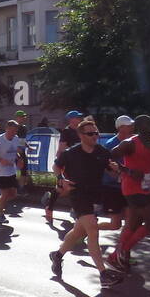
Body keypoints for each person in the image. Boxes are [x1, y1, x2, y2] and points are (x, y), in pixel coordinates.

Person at [47, 117, 117, 286]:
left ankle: (57, 255)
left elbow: (113, 174)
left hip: (95, 195)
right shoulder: (71, 153)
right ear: (81, 135)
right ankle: (103, 274)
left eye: (97, 133)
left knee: (79, 232)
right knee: (92, 230)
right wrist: (60, 179)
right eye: (90, 133)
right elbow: (56, 167)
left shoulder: (102, 152)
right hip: (78, 195)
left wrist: (116, 170)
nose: (95, 136)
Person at [107, 114, 150, 276]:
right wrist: (126, 170)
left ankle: (115, 255)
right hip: (131, 186)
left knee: (135, 223)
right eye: (148, 122)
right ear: (140, 126)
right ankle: (123, 251)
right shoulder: (130, 143)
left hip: (148, 184)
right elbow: (108, 157)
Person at [43, 110, 84, 222]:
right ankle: (49, 207)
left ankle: (74, 209)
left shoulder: (82, 130)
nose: (80, 119)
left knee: (75, 186)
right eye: (77, 117)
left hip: (79, 163)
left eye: (80, 117)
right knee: (63, 188)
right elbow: (62, 148)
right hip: (67, 163)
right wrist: (60, 164)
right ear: (71, 120)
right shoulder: (66, 132)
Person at [0, 120, 26, 224]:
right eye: (11, 130)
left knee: (14, 194)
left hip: (11, 169)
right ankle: (1, 215)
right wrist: (1, 160)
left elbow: (15, 152)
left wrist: (19, 159)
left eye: (15, 131)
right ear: (6, 129)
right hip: (0, 170)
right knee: (5, 193)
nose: (13, 133)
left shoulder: (15, 139)